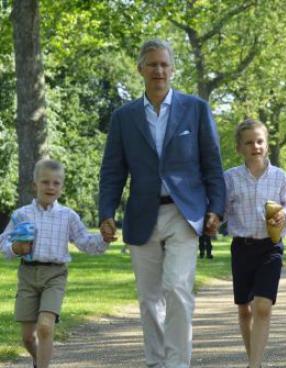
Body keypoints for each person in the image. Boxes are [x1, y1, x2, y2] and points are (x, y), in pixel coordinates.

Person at [98, 39, 226, 368]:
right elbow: (113, 170)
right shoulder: (123, 117)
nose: (159, 70)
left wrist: (217, 207)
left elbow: (212, 163)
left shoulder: (195, 109)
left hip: (184, 213)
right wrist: (106, 214)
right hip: (142, 215)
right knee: (148, 298)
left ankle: (177, 363)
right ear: (140, 69)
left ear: (172, 69)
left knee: (178, 288)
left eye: (164, 65)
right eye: (152, 64)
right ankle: (156, 362)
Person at [1, 159, 111, 368]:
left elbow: (86, 242)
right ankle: (37, 359)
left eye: (56, 183)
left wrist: (103, 239)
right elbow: (3, 243)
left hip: (55, 275)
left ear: (62, 186)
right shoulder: (21, 214)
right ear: (35, 185)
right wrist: (15, 248)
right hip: (27, 275)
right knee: (27, 337)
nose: (50, 187)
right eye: (45, 182)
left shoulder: (68, 216)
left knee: (45, 326)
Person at [223, 118, 286, 368]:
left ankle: (254, 365)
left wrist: (285, 215)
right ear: (239, 148)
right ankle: (252, 359)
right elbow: (221, 210)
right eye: (249, 142)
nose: (255, 146)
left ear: (266, 145)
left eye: (259, 141)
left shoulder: (280, 177)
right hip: (242, 247)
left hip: (271, 247)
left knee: (263, 307)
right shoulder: (231, 178)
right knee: (245, 309)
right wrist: (211, 219)